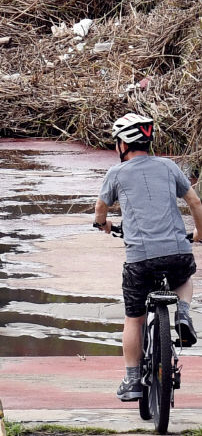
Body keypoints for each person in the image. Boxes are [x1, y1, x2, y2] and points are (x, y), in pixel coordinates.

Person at [94, 113, 202, 402]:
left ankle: (132, 381)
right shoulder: (168, 166)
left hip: (140, 259)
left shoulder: (115, 174)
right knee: (184, 277)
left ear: (123, 145)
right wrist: (199, 234)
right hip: (177, 251)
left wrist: (103, 225)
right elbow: (195, 202)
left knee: (134, 318)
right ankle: (182, 314)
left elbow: (100, 209)